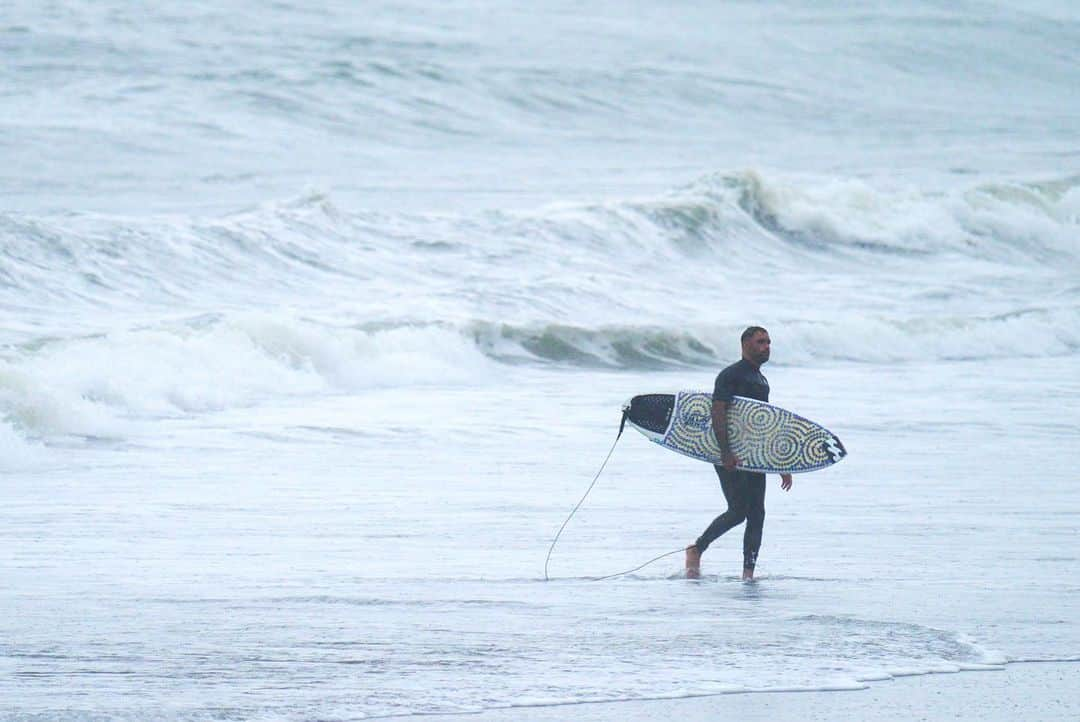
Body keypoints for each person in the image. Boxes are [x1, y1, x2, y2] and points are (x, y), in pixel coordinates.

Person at [684, 326, 792, 580]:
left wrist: (780, 463)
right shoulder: (730, 375)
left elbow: (762, 424)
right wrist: (725, 452)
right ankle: (697, 548)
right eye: (760, 342)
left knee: (757, 514)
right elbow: (717, 411)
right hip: (730, 454)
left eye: (768, 342)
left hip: (754, 456)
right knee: (738, 511)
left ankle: (748, 574)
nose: (766, 346)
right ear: (745, 344)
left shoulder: (761, 380)